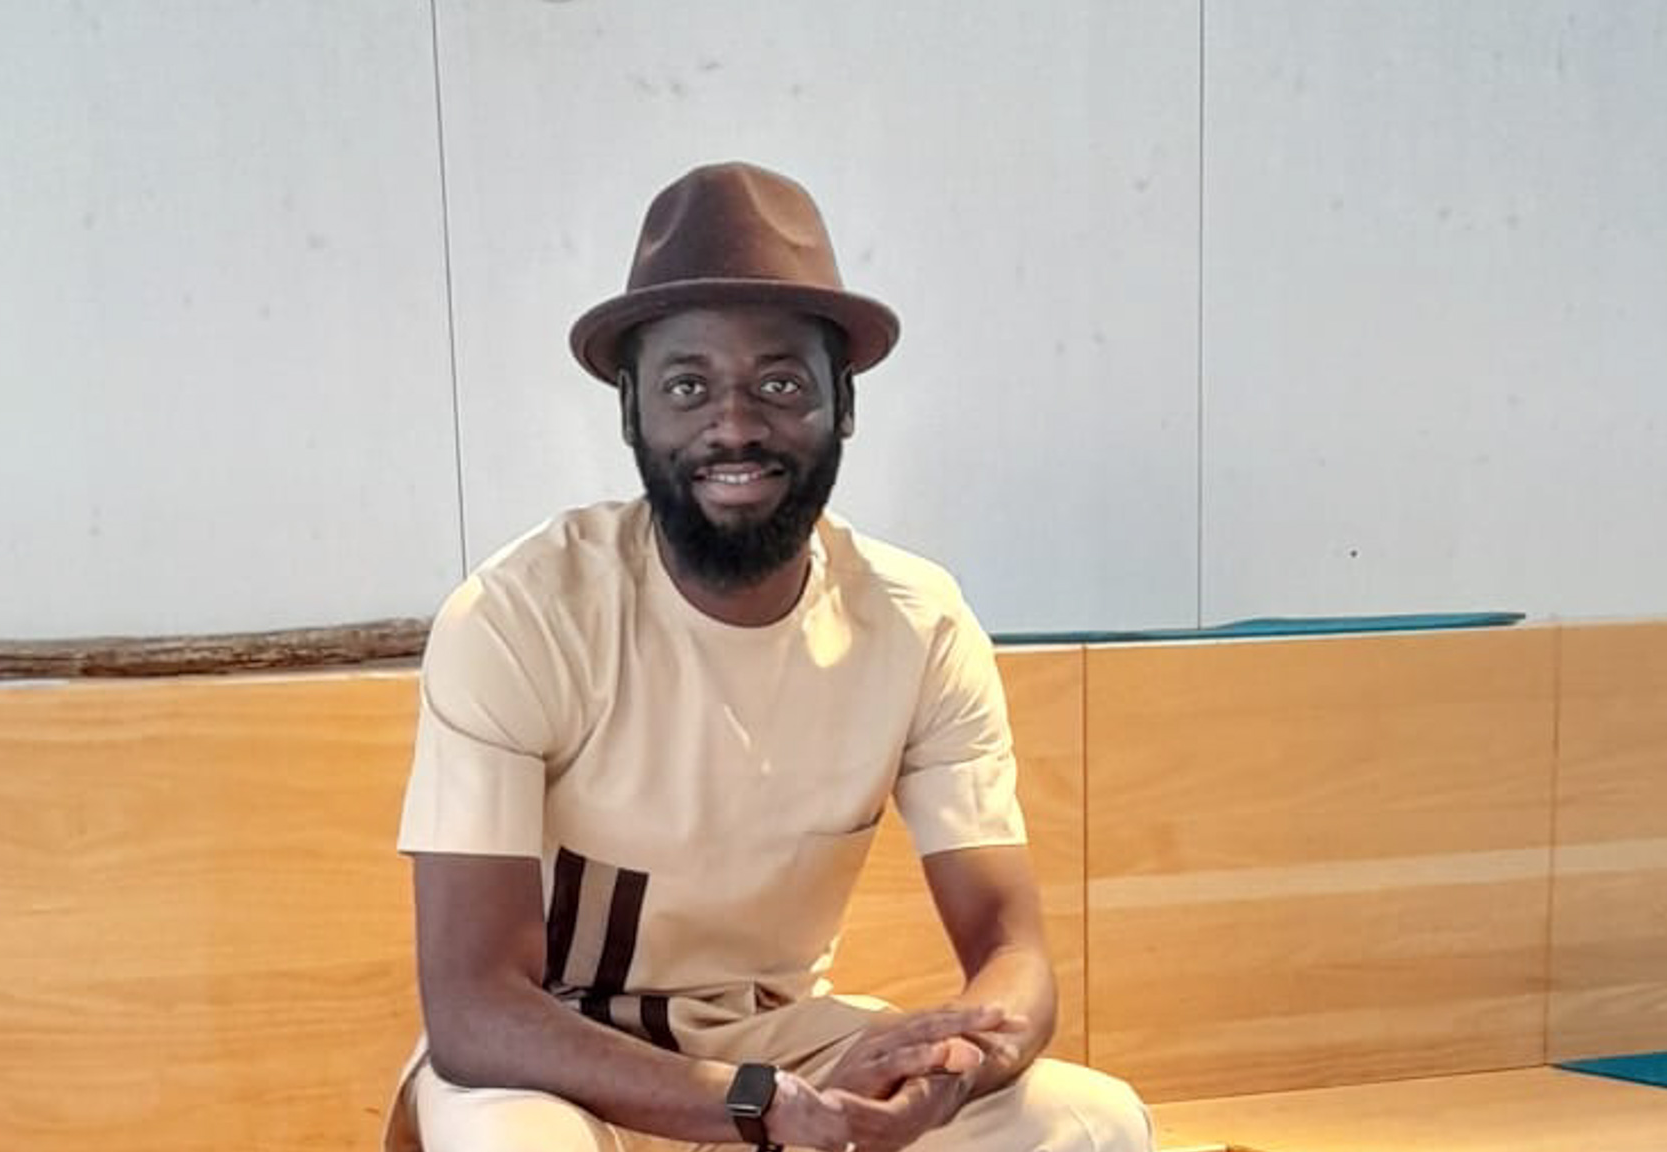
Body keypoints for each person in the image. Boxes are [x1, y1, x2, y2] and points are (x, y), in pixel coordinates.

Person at [389, 161, 1151, 1152]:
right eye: (687, 385)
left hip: (787, 1053)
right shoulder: (519, 615)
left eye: (780, 383)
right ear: (631, 412)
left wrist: (953, 1065)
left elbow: (1013, 954)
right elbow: (476, 1009)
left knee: (1090, 1124)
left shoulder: (917, 625)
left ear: (844, 404)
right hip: (559, 1067)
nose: (736, 425)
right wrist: (752, 1103)